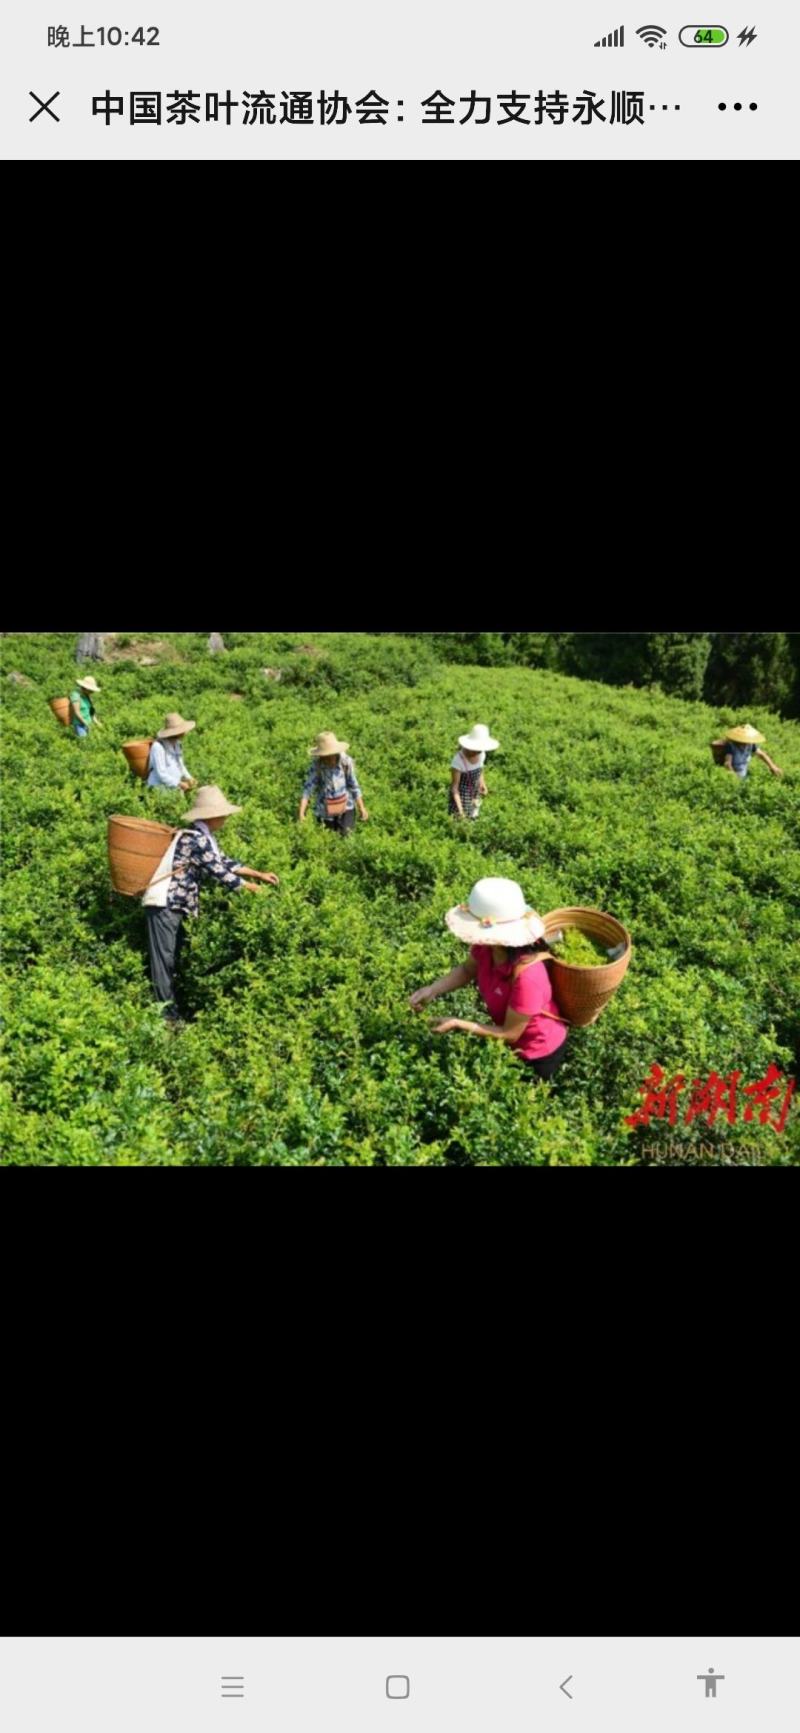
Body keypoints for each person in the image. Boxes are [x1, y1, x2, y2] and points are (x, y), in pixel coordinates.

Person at [141, 785, 279, 1026]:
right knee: (163, 961)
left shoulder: (204, 838)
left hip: (175, 904)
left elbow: (225, 862)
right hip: (165, 903)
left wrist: (258, 874)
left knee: (172, 958)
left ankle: (172, 1011)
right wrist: (253, 889)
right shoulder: (196, 839)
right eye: (222, 814)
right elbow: (220, 873)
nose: (225, 818)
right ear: (211, 816)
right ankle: (166, 1019)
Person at [409, 877, 569, 1081]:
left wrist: (458, 1023)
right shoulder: (486, 947)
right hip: (510, 1041)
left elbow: (510, 1033)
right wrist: (432, 990)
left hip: (539, 1053)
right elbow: (467, 971)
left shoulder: (528, 976)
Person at [299, 731, 369, 834]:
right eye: (325, 756)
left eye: (331, 755)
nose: (329, 759)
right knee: (329, 838)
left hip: (346, 806)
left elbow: (354, 785)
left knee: (347, 834)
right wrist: (301, 813)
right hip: (325, 810)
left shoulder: (345, 762)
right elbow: (307, 790)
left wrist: (362, 807)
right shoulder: (317, 765)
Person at [449, 723, 499, 820]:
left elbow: (480, 769)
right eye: (475, 749)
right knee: (458, 822)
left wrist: (482, 783)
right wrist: (460, 810)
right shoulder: (458, 760)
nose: (477, 752)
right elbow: (454, 788)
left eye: (479, 750)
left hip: (474, 792)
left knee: (473, 817)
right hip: (460, 796)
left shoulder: (481, 754)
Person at [147, 713, 197, 791]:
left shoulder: (177, 744)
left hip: (174, 786)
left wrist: (189, 778)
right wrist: (179, 783)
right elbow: (161, 773)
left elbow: (180, 765)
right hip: (159, 788)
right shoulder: (158, 746)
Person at [716, 724, 783, 781]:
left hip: (744, 775)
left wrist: (772, 766)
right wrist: (733, 775)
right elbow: (727, 763)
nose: (746, 743)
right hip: (732, 777)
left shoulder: (751, 744)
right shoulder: (731, 746)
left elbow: (762, 755)